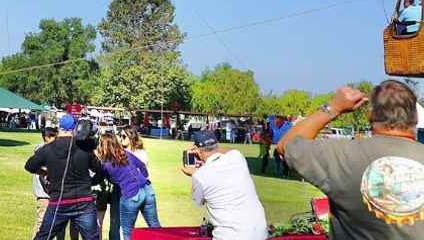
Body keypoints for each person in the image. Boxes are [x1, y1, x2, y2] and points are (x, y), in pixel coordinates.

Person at [278, 81, 424, 238]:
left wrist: (333, 108)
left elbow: (286, 145)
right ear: (415, 116)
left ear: (369, 114)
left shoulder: (340, 154)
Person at [25, 114, 102, 240]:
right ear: (75, 128)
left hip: (59, 202)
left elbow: (29, 166)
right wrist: (91, 182)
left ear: (59, 128)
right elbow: (100, 170)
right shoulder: (85, 148)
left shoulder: (47, 149)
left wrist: (45, 173)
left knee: (43, 236)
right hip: (84, 202)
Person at [181, 130, 268, 240]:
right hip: (260, 233)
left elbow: (197, 201)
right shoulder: (237, 157)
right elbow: (230, 150)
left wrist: (194, 174)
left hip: (230, 235)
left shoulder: (200, 175)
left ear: (197, 152)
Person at [96, 132, 158, 240]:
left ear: (102, 146)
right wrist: (142, 179)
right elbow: (142, 166)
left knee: (127, 232)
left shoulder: (105, 164)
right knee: (155, 226)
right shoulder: (125, 153)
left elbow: (98, 179)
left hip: (131, 194)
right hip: (147, 189)